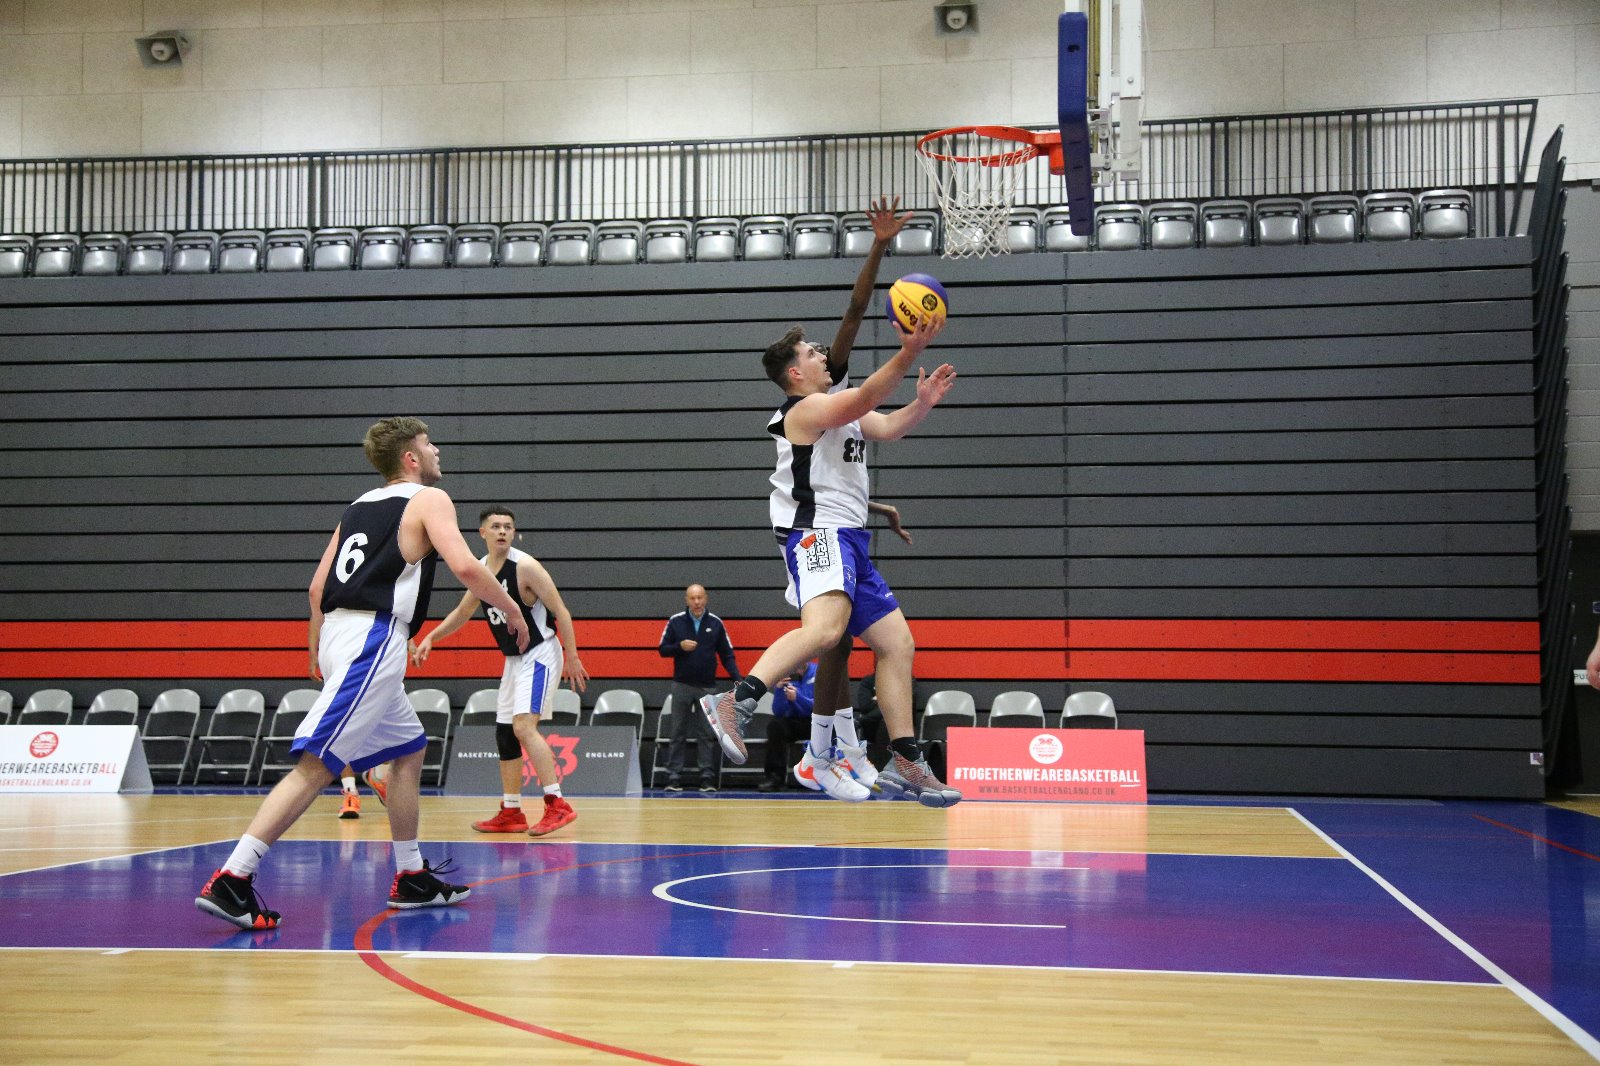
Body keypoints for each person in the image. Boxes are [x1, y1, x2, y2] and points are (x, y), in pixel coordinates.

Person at [196, 417, 530, 930]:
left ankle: (411, 875)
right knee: (318, 763)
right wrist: (511, 610)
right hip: (373, 638)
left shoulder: (358, 506)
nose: (437, 451)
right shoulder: (429, 499)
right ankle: (233, 877)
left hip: (340, 634)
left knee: (409, 749)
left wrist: (317, 647)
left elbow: (316, 588)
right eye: (429, 444)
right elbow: (466, 567)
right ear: (411, 458)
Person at [698, 198, 962, 808]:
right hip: (816, 533)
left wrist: (921, 402)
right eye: (812, 354)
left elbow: (884, 425)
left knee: (897, 644)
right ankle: (736, 699)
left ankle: (905, 757)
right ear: (795, 375)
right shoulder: (805, 409)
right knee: (825, 631)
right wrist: (907, 353)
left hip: (849, 537)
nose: (823, 355)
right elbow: (865, 391)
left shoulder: (837, 406)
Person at [411, 506, 589, 836]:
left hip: (540, 653)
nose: (503, 531)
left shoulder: (526, 567)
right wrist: (432, 637)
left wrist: (573, 655)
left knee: (523, 727)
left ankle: (557, 804)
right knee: (505, 733)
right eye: (496, 526)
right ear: (483, 533)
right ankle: (511, 811)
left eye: (508, 526)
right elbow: (463, 611)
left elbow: (561, 611)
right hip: (514, 660)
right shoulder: (480, 569)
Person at [657, 584, 741, 792]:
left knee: (706, 734)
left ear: (706, 599)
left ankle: (706, 777)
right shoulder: (676, 621)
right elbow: (663, 649)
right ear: (686, 600)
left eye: (700, 598)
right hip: (681, 685)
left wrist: (737, 678)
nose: (696, 602)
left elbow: (727, 654)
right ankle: (673, 776)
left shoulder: (716, 623)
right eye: (692, 598)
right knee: (677, 732)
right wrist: (679, 647)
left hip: (707, 688)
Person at [759, 660, 817, 792]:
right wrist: (779, 689)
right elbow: (778, 711)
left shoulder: (818, 672)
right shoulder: (785, 674)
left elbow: (820, 705)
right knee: (775, 726)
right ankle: (775, 778)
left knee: (831, 726)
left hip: (815, 722)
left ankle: (826, 777)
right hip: (793, 721)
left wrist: (798, 698)